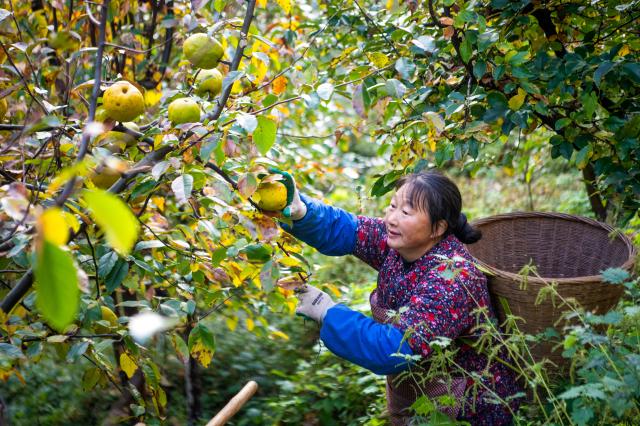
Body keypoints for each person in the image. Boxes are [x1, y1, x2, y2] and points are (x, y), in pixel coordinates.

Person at [276, 169, 522, 425]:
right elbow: (347, 229)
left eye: (406, 212)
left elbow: (393, 349)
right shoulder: (399, 242)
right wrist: (303, 212)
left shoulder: (452, 279)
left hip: (470, 406)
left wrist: (329, 312)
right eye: (392, 206)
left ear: (438, 228)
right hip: (421, 390)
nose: (391, 218)